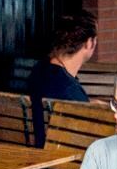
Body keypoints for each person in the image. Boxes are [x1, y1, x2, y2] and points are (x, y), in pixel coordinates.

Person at [27, 11, 97, 147]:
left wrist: (89, 104)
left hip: (33, 157)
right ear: (89, 43)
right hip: (61, 162)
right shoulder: (70, 90)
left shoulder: (39, 70)